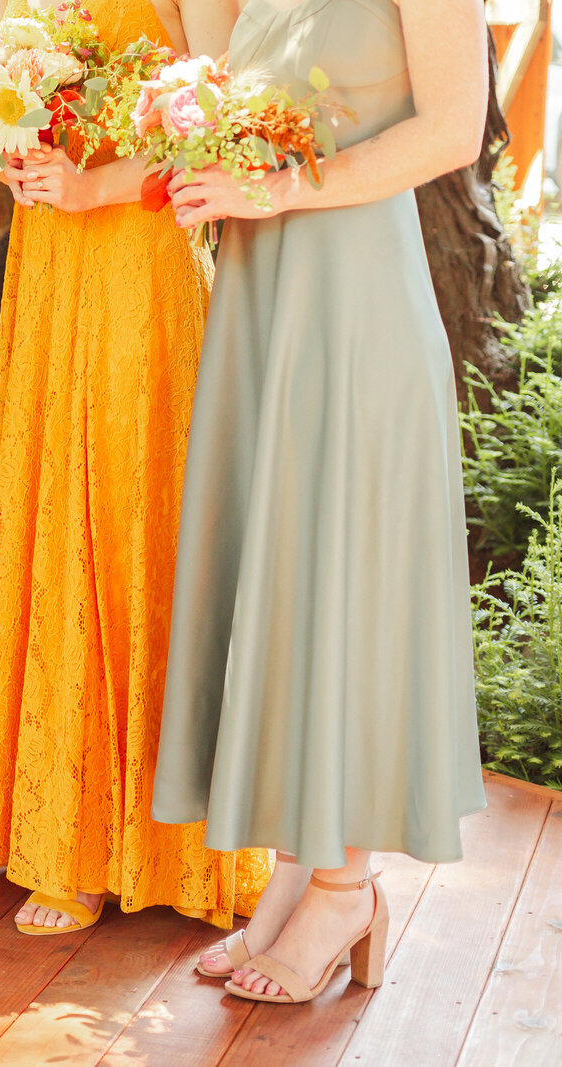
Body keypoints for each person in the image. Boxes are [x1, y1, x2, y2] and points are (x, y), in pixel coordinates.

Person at [154, 0, 488, 1002]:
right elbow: (208, 71)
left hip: (353, 305)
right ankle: (295, 879)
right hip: (264, 301)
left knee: (335, 583)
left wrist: (289, 187)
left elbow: (452, 125)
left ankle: (346, 890)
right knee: (284, 580)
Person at [0, 0, 270, 935]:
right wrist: (8, 143)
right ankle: (63, 824)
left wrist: (102, 186)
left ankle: (151, 837)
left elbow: (230, 126)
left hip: (142, 260)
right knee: (52, 505)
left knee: (133, 513)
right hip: (48, 263)